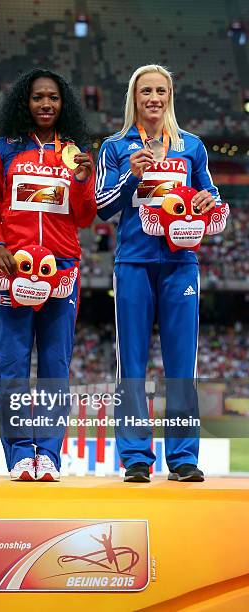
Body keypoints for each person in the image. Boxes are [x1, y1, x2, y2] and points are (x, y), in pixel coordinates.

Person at [96, 64, 221, 483]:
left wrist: (206, 200)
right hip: (133, 262)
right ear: (134, 96)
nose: (153, 97)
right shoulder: (115, 147)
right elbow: (102, 206)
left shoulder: (191, 147)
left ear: (170, 96)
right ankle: (135, 457)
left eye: (161, 90)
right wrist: (131, 176)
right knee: (131, 364)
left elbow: (212, 194)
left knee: (181, 364)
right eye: (145, 90)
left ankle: (183, 457)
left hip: (181, 264)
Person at [0, 68, 96, 481]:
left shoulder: (75, 153)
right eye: (37, 98)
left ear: (63, 104)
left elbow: (84, 216)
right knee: (12, 364)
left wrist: (83, 181)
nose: (45, 105)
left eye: (53, 98)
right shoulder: (4, 149)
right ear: (24, 103)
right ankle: (18, 455)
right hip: (14, 268)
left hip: (61, 268)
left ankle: (47, 453)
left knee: (55, 366)